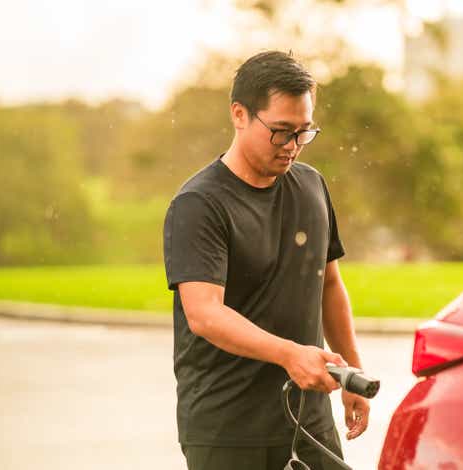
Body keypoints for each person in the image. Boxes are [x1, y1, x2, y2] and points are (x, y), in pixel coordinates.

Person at [163, 50, 369, 470]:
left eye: (303, 132)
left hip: (309, 424)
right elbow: (205, 314)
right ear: (239, 114)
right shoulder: (199, 204)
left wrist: (353, 375)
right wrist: (290, 355)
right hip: (228, 431)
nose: (292, 146)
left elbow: (328, 283)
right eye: (280, 131)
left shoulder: (312, 187)